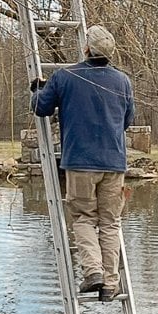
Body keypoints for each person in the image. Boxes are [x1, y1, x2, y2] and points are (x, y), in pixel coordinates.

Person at [30, 25, 134, 300]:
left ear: (86, 48)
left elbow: (41, 108)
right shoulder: (123, 81)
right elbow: (126, 121)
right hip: (114, 163)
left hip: (80, 163)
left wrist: (37, 91)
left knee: (84, 218)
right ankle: (110, 284)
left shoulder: (65, 77)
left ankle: (93, 273)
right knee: (111, 223)